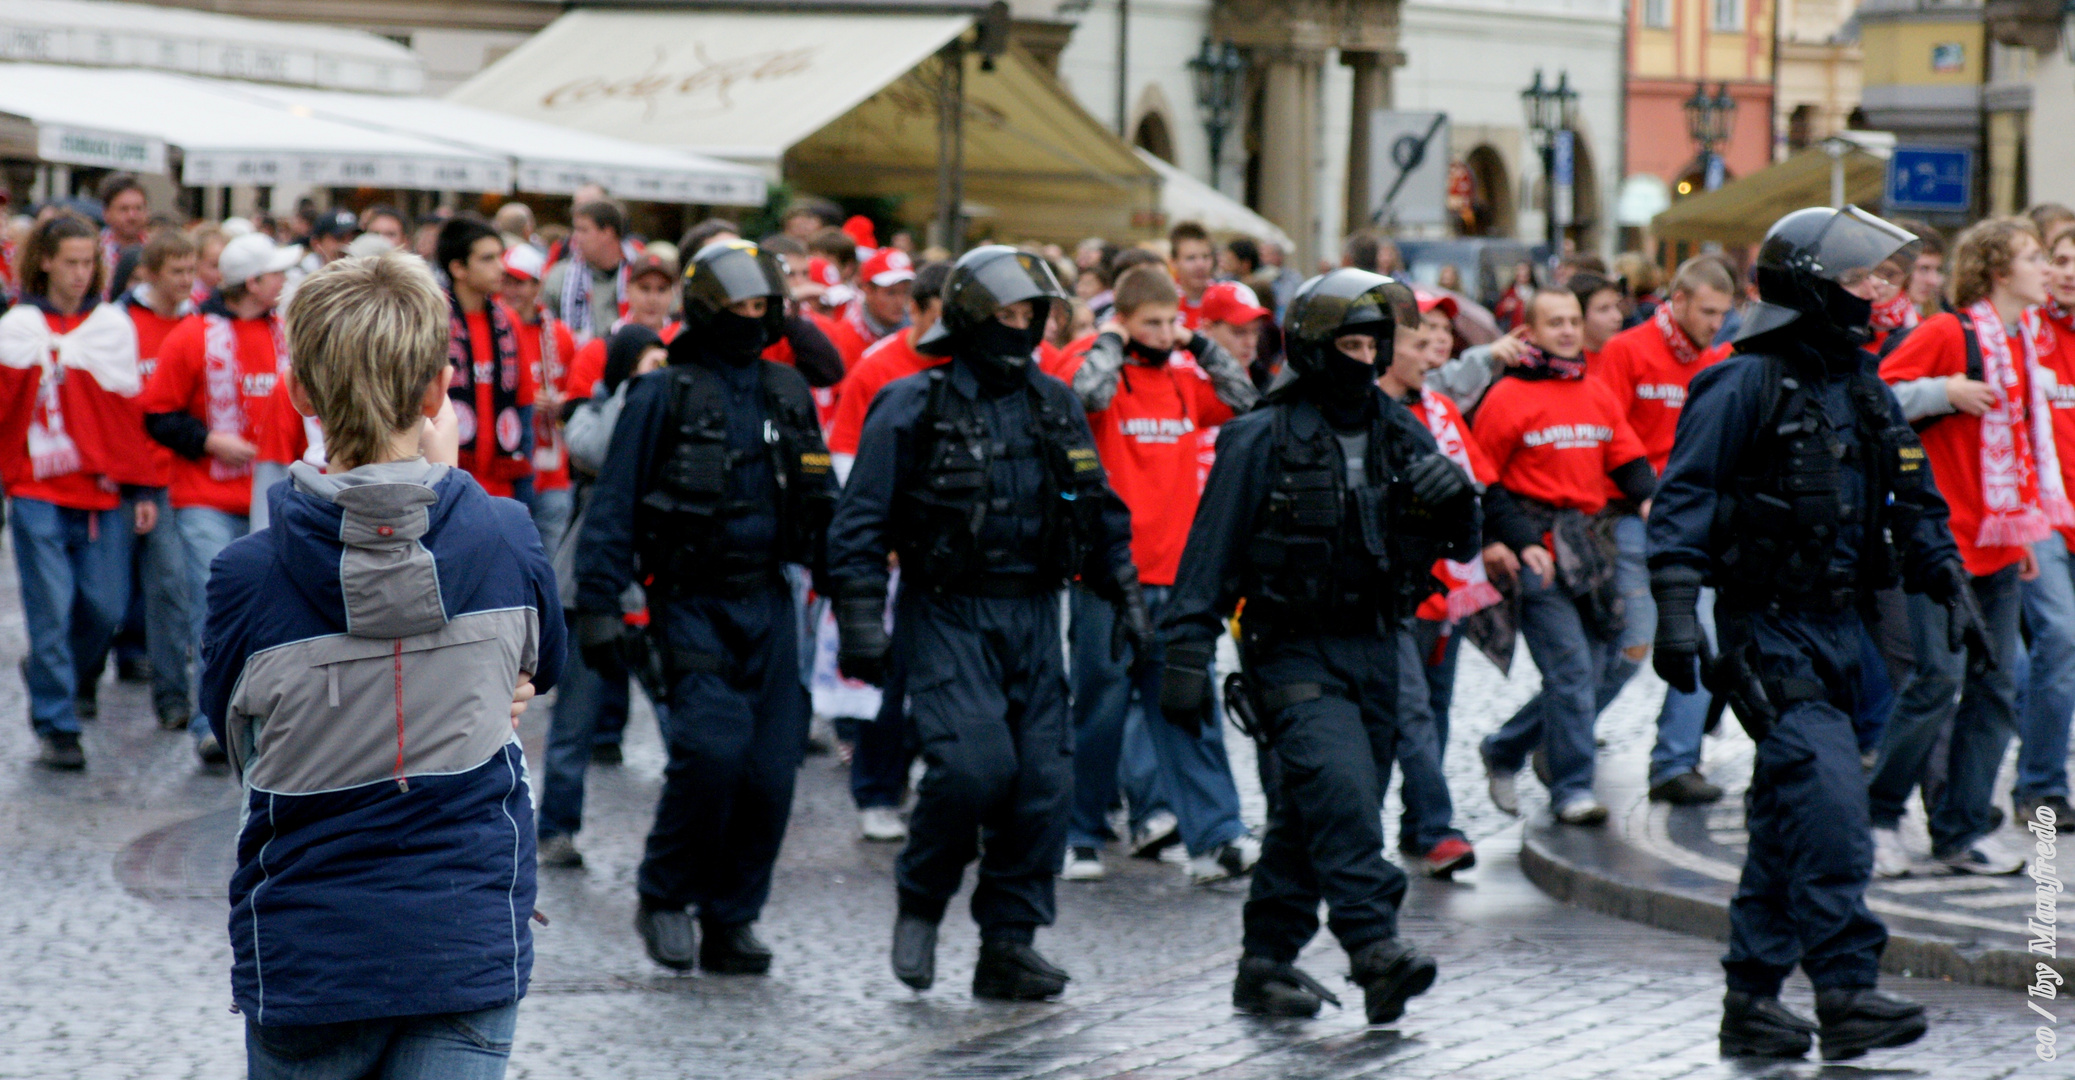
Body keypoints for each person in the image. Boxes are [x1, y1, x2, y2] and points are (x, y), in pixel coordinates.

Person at [199, 251, 562, 1080]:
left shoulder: (248, 576)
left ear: (300, 393)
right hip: (463, 936)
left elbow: (242, 746)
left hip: (312, 946)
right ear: (438, 392)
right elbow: (541, 670)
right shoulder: (505, 536)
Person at [1648, 205, 1958, 1061]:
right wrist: (1676, 611)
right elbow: (1683, 498)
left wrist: (1943, 574)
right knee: (1828, 805)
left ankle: (1750, 1001)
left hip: (1842, 631)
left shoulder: (1859, 383)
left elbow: (1911, 489)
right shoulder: (1740, 381)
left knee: (1787, 819)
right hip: (1766, 633)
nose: (1876, 294)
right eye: (1859, 280)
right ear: (1813, 289)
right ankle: (1845, 990)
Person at [1159, 267, 1478, 1022]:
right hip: (1288, 647)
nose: (1363, 358)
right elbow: (1208, 557)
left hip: (1376, 642)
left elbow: (1459, 540)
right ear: (1312, 345)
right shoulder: (1256, 437)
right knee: (1340, 795)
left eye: (1374, 344)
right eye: (1349, 342)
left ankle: (1264, 962)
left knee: (1316, 814)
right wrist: (1183, 655)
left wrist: (1453, 499)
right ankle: (1375, 949)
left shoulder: (1400, 427)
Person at [828, 246, 1143, 1001]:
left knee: (1042, 782)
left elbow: (1095, 508)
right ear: (970, 317)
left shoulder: (1053, 402)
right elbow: (859, 525)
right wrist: (862, 624)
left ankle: (1009, 940)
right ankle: (922, 895)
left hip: (1035, 611)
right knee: (972, 771)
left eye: (1029, 313)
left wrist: (1126, 594)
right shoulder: (910, 404)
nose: (1019, 326)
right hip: (946, 612)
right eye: (1004, 313)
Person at [575, 240, 835, 975]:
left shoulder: (787, 390)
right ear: (710, 311)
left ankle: (732, 916)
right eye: (739, 307)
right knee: (712, 754)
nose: (751, 320)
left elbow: (823, 503)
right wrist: (597, 602)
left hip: (769, 599)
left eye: (763, 307)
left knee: (770, 773)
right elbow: (615, 502)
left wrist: (855, 599)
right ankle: (663, 895)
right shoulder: (663, 392)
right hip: (688, 600)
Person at [1055, 265, 1260, 885]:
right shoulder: (1092, 363)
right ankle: (1080, 833)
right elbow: (1079, 400)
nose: (1167, 333)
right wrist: (1112, 344)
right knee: (1099, 708)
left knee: (1186, 705)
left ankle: (1217, 835)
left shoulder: (1178, 377)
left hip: (1178, 575)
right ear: (1122, 318)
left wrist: (1199, 344)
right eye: (1154, 322)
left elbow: (1245, 403)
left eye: (1174, 320)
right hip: (1108, 576)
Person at [1872, 216, 2055, 877]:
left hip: (1999, 538)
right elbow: (1877, 396)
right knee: (1935, 683)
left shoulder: (2023, 339)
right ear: (1998, 272)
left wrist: (2023, 527)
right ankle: (1878, 815)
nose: (2047, 269)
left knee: (1996, 688)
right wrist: (1939, 391)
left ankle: (1959, 830)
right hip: (1938, 541)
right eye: (2033, 257)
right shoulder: (1949, 331)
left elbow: (2022, 447)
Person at [1473, 288, 1654, 825]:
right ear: (1530, 332)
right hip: (1536, 552)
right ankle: (1572, 788)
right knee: (1572, 669)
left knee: (1600, 665)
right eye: (1556, 323)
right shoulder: (1505, 397)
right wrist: (1512, 541)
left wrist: (1651, 502)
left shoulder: (1596, 391)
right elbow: (1483, 481)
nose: (1570, 331)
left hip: (1591, 549)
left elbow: (1628, 461)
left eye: (1574, 321)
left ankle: (1505, 748)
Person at [141, 231, 301, 763]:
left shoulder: (288, 333)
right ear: (252, 283)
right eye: (276, 273)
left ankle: (258, 718)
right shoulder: (191, 336)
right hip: (205, 497)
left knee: (265, 612)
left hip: (273, 496)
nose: (285, 280)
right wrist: (210, 441)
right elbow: (158, 416)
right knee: (214, 610)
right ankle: (211, 723)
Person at [0, 212, 147, 769]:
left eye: (90, 262)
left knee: (105, 606)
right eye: (71, 262)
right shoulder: (16, 327)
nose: (82, 273)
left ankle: (59, 673)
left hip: (102, 488)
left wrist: (141, 492)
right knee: (50, 608)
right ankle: (58, 722)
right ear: (45, 262)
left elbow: (127, 413)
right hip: (38, 486)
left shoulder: (110, 326)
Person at [1591, 257, 1736, 804]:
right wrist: (1642, 492)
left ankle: (1675, 763)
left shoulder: (1718, 359)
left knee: (1702, 638)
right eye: (1707, 311)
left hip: (1692, 521)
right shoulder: (1627, 351)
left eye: (1724, 313)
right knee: (1632, 651)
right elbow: (1607, 425)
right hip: (1633, 517)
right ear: (1677, 300)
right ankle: (1533, 739)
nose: (1715, 324)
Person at [1389, 289, 1495, 877]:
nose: (1434, 348)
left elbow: (1477, 483)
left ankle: (1415, 823)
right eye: (1419, 335)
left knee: (1436, 708)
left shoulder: (1441, 410)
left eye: (1439, 334)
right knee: (1412, 713)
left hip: (1445, 590)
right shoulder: (1380, 415)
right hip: (1396, 592)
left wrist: (1501, 538)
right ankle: (1435, 827)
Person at [96, 230, 199, 734]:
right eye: (177, 272)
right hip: (126, 474)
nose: (187, 281)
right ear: (150, 273)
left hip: (176, 474)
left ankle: (172, 697)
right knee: (106, 595)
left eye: (191, 271)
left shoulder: (196, 323)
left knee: (170, 588)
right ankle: (79, 675)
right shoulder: (122, 322)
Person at [2019, 220, 2075, 832]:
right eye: (2061, 258)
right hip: (2040, 518)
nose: (2069, 271)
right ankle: (2041, 787)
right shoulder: (2025, 335)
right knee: (2058, 638)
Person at [437, 217, 537, 504]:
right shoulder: (431, 321)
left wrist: (524, 491)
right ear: (458, 268)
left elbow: (524, 410)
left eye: (500, 257)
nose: (501, 268)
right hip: (447, 490)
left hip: (500, 493)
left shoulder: (509, 322)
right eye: (488, 259)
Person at [501, 244, 578, 555]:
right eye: (505, 280)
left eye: (519, 282)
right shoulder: (498, 329)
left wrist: (561, 400)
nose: (510, 290)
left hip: (553, 472)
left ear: (537, 285)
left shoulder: (558, 335)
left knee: (549, 567)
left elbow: (578, 394)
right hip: (512, 468)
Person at [544, 200, 635, 346]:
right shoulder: (560, 276)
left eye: (583, 230)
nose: (575, 237)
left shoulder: (641, 273)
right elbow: (544, 327)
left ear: (607, 232)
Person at [97, 173, 148, 299]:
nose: (132, 216)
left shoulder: (155, 249)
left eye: (138, 208)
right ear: (106, 213)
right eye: (124, 209)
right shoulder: (95, 249)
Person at [1168, 221, 1216, 328]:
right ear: (1173, 262)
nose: (1200, 265)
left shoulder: (1224, 299)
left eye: (1206, 257)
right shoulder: (1164, 299)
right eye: (1191, 258)